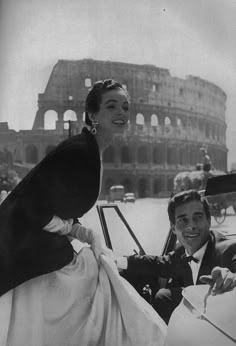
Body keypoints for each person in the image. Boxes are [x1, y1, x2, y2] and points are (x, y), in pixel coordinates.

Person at [0, 79, 167, 345]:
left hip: (36, 246)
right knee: (100, 284)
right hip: (20, 251)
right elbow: (31, 205)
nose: (121, 113)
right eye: (112, 106)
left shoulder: (89, 150)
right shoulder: (79, 151)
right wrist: (76, 231)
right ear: (92, 114)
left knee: (101, 276)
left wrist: (83, 232)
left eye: (125, 107)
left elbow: (59, 205)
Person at [117, 189, 236, 324]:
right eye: (183, 220)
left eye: (198, 217)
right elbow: (160, 263)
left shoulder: (228, 250)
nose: (191, 225)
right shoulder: (181, 250)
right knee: (163, 297)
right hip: (194, 320)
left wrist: (231, 277)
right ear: (173, 228)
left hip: (222, 326)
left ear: (209, 221)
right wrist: (118, 261)